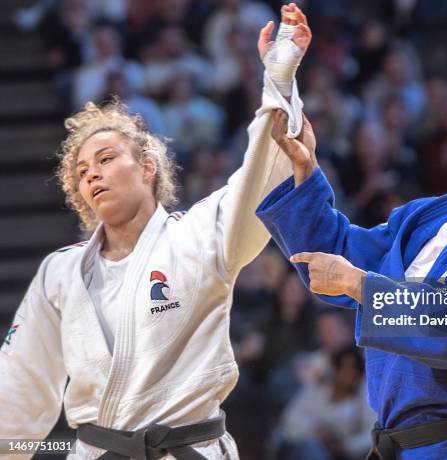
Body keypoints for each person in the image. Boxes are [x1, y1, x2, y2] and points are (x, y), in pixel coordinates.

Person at [0, 4, 311, 459]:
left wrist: (278, 80)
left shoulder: (202, 236)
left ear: (148, 167)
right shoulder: (59, 272)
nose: (92, 175)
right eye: (82, 171)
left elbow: (261, 176)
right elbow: (20, 384)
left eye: (106, 159)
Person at [256, 60, 447, 459]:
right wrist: (306, 169)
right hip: (401, 443)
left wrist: (361, 286)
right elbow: (336, 259)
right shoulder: (425, 217)